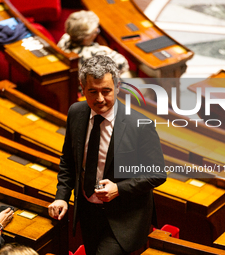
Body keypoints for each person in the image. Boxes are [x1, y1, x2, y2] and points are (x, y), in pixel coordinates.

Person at [48, 55, 166, 255]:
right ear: (82, 88)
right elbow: (68, 161)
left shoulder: (140, 125)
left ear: (118, 87)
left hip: (124, 218)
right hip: (87, 212)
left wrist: (118, 189)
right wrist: (61, 197)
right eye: (92, 91)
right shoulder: (76, 112)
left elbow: (157, 174)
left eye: (106, 91)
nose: (100, 99)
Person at [57, 10, 130, 77]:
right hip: (87, 86)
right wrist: (110, 51)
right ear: (86, 38)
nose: (97, 33)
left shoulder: (64, 39)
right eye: (96, 31)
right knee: (127, 74)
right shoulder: (95, 55)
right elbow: (123, 64)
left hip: (75, 77)